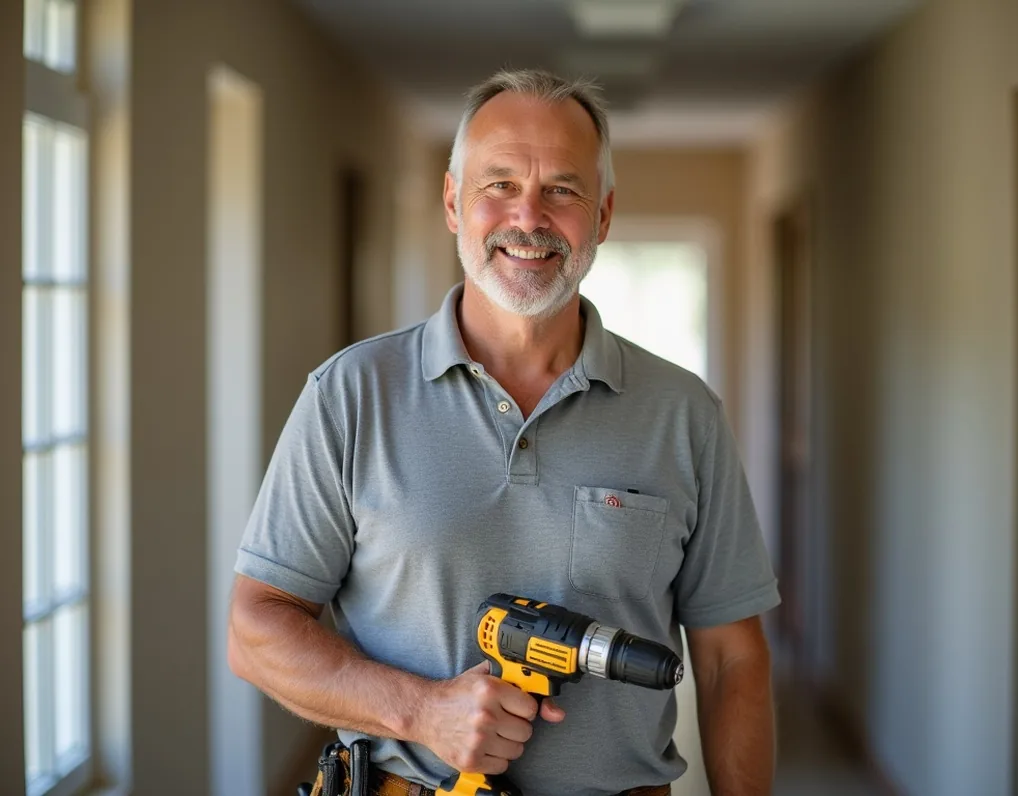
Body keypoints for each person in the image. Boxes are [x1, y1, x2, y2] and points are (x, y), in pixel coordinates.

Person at [228, 68, 781, 796]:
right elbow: (256, 628)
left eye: (563, 189)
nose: (529, 217)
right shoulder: (350, 397)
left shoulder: (683, 414)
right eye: (499, 185)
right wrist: (423, 711)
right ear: (454, 202)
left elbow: (729, 660)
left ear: (604, 215)